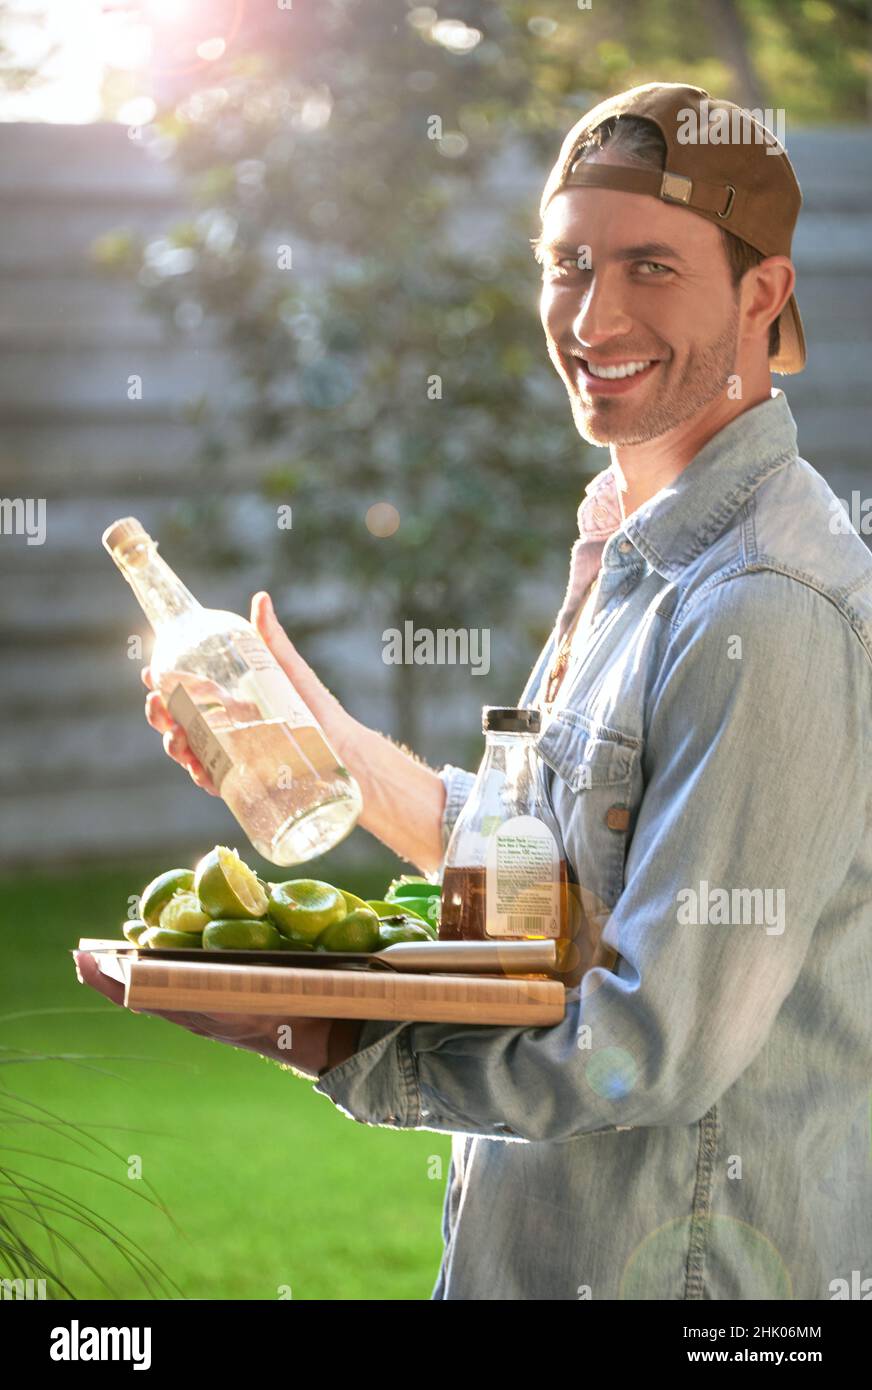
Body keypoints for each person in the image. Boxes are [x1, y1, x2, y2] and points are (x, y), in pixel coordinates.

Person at [77, 83, 872, 1301]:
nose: (591, 314)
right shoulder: (635, 550)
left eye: (649, 266)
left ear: (761, 293)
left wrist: (324, 1036)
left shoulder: (761, 605)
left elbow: (651, 1047)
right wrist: (338, 753)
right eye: (566, 263)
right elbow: (549, 881)